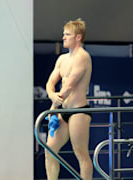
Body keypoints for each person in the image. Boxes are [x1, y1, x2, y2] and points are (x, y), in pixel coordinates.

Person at [45, 18, 93, 180]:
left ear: (78, 37)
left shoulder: (82, 57)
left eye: (67, 34)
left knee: (80, 152)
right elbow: (50, 83)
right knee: (49, 149)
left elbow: (69, 86)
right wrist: (52, 96)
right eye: (63, 34)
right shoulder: (62, 59)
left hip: (78, 111)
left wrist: (53, 108)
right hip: (63, 110)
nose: (63, 37)